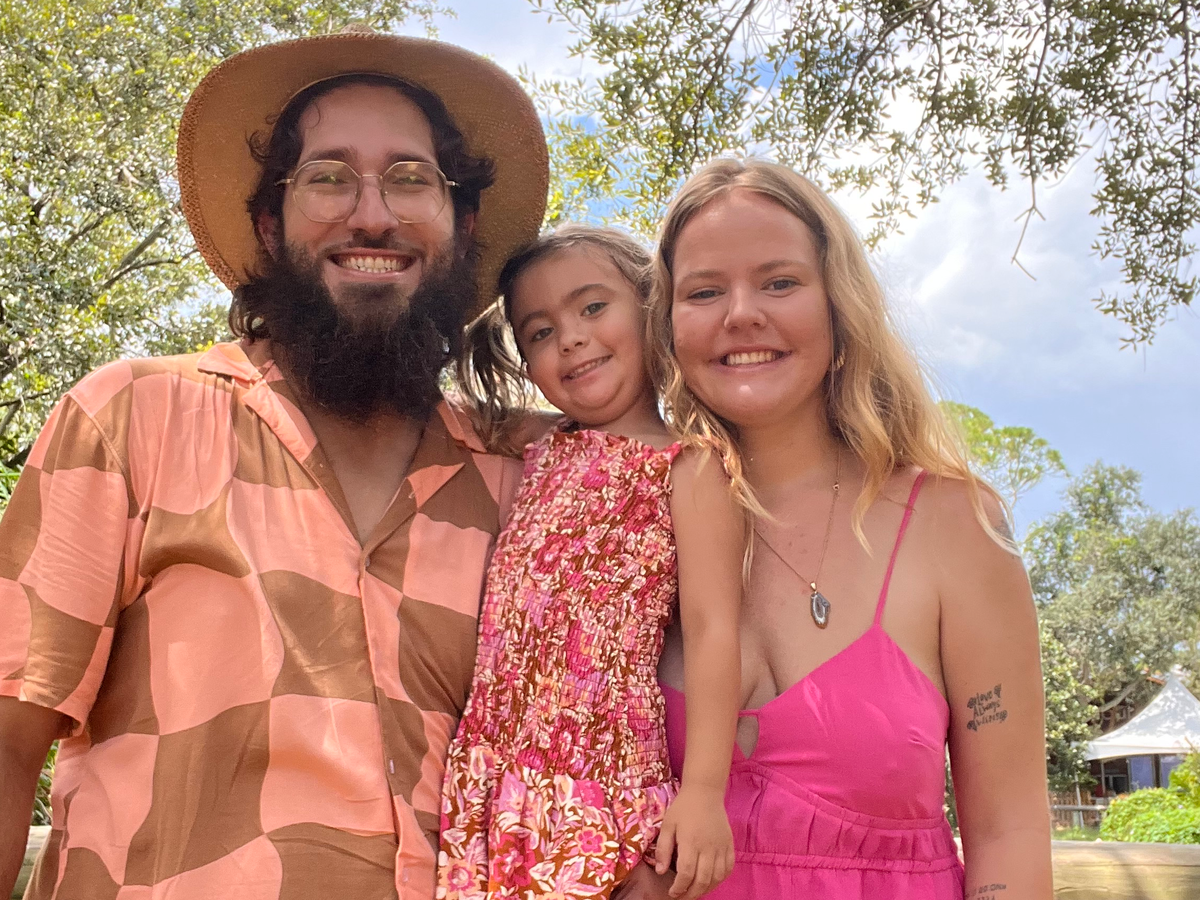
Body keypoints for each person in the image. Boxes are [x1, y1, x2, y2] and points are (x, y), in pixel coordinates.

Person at [0, 31, 549, 900]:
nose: (372, 215)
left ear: (464, 224)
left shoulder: (532, 478)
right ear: (269, 224)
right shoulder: (132, 419)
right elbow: (7, 745)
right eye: (328, 177)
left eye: (411, 178)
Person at [618, 158, 1053, 899]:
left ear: (838, 305)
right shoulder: (624, 530)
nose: (740, 314)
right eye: (704, 291)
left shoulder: (955, 522)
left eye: (780, 282)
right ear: (667, 326)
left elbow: (1007, 831)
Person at [437, 227, 744, 900]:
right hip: (495, 781)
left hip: (604, 783)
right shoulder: (542, 445)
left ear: (651, 307)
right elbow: (441, 415)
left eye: (593, 307)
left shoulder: (688, 466)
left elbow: (715, 630)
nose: (570, 339)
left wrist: (703, 792)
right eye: (540, 333)